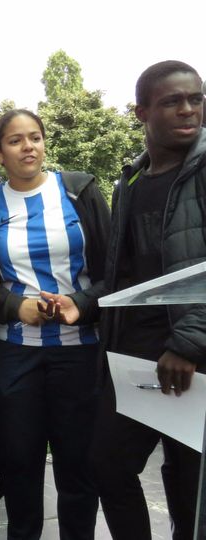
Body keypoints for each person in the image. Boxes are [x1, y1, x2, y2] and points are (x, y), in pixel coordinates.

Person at [91, 61, 205, 540]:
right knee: (107, 466)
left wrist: (190, 343)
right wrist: (85, 305)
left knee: (190, 489)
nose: (188, 109)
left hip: (192, 359)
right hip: (134, 358)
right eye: (171, 101)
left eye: (196, 99)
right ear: (141, 112)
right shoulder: (130, 182)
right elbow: (127, 275)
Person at [0, 109, 110, 540]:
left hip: (80, 349)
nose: (28, 148)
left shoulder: (79, 191)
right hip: (14, 352)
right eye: (16, 141)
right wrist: (12, 305)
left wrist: (81, 302)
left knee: (78, 463)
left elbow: (116, 269)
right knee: (19, 462)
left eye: (35, 138)